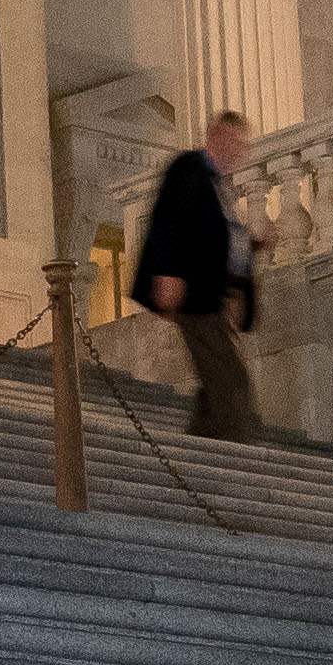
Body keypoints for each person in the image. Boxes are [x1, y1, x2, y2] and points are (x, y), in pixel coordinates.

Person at [133, 110, 261, 442]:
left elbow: (218, 242)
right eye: (233, 141)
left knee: (217, 377)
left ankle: (197, 445)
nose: (238, 151)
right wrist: (167, 272)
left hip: (210, 297)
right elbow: (168, 221)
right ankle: (230, 455)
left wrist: (253, 246)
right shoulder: (189, 168)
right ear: (215, 135)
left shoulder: (218, 185)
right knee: (231, 379)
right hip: (193, 295)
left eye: (242, 145)